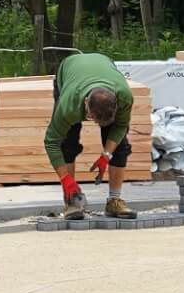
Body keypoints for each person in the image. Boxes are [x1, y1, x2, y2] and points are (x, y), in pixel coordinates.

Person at [42, 52, 137, 220]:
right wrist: (65, 179)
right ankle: (71, 201)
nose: (94, 123)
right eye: (92, 118)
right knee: (68, 144)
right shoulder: (69, 105)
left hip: (103, 64)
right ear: (86, 103)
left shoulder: (124, 96)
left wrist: (106, 155)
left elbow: (121, 126)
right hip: (69, 69)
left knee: (120, 147)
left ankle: (114, 201)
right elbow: (51, 142)